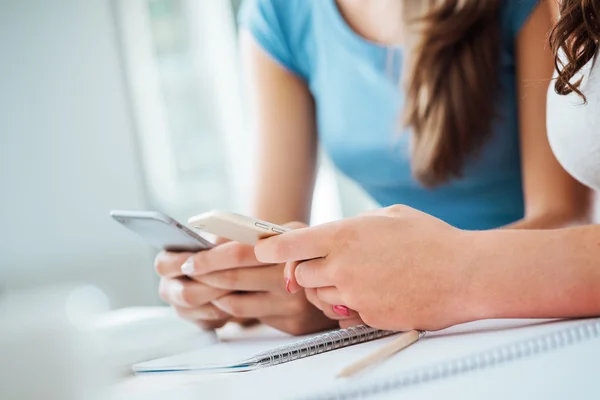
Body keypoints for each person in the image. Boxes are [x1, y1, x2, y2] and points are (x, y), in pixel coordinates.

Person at [155, 0, 588, 335]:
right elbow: (268, 234)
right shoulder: (280, 14)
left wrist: (398, 280)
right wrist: (231, 287)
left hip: (526, 299)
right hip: (403, 313)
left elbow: (564, 217)